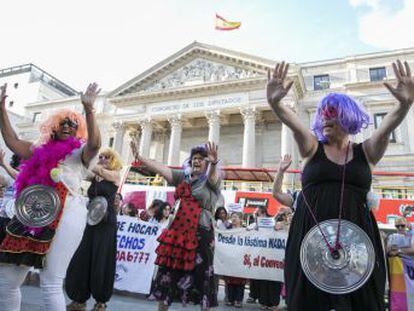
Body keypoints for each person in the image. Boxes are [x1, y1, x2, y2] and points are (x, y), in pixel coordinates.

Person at [266, 60, 414, 310]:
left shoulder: (365, 152)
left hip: (357, 242)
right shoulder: (312, 148)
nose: (325, 117)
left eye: (332, 113)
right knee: (307, 301)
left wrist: (404, 104)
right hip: (309, 237)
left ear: (347, 117)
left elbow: (388, 126)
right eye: (323, 113)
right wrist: (276, 104)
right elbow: (294, 125)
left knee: (359, 302)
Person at [0, 82, 101, 311]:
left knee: (51, 282)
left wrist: (89, 110)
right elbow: (13, 141)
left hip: (67, 212)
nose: (67, 125)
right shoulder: (38, 149)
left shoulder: (79, 153)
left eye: (73, 123)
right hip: (33, 212)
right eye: (62, 122)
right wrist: (2, 108)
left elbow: (95, 145)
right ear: (53, 127)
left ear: (78, 130)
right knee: (7, 280)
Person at [131, 141, 221, 311]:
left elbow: (214, 177)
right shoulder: (183, 178)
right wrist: (140, 158)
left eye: (201, 159)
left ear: (207, 163)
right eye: (194, 158)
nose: (196, 161)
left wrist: (214, 164)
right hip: (178, 233)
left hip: (201, 233)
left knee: (202, 276)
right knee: (169, 273)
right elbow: (162, 169)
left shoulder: (210, 181)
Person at [66, 148, 123, 311]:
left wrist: (89, 159)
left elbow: (95, 169)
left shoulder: (115, 175)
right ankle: (79, 299)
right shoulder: (95, 176)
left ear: (112, 160)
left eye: (107, 157)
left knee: (102, 259)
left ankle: (101, 302)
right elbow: (82, 172)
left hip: (106, 221)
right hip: (91, 219)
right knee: (82, 256)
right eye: (101, 156)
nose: (103, 159)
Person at [224, 212, 246, 308]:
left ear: (240, 219)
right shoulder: (227, 230)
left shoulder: (245, 230)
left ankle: (239, 300)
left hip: (240, 258)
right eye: (232, 217)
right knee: (230, 279)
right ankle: (230, 299)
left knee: (240, 280)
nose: (233, 219)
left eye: (236, 217)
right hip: (230, 258)